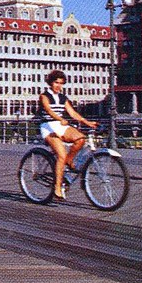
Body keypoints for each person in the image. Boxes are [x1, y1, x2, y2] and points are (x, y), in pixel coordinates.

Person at [38, 70, 97, 201]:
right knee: (61, 154)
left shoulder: (63, 98)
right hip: (48, 126)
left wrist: (87, 122)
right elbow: (48, 110)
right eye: (56, 83)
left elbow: (72, 113)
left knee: (81, 139)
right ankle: (57, 187)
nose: (58, 86)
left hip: (60, 125)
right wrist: (59, 118)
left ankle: (69, 160)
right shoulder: (44, 96)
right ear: (50, 83)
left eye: (61, 83)